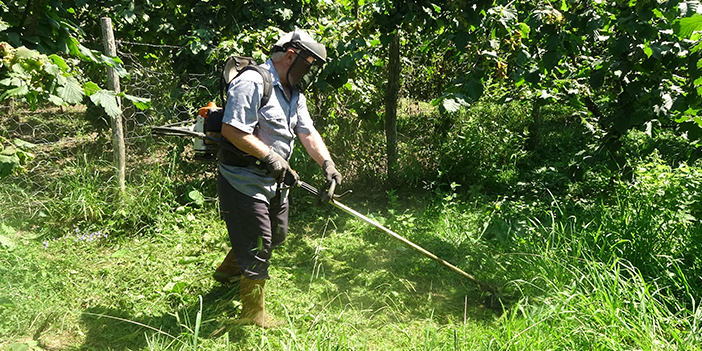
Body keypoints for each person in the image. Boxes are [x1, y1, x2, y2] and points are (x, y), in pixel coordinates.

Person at [213, 29, 343, 328]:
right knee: (260, 245)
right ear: (291, 56)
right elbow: (233, 130)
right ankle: (252, 314)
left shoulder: (293, 93)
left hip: (274, 181)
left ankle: (228, 270)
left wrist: (328, 164)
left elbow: (307, 132)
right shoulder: (252, 82)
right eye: (310, 65)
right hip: (243, 178)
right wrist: (270, 157)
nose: (311, 73)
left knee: (276, 235)